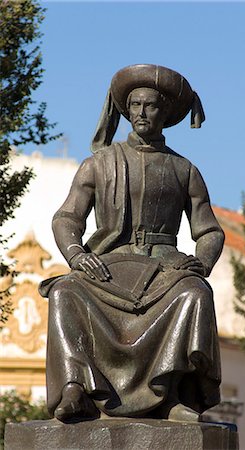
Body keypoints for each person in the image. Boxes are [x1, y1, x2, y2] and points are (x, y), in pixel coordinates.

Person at [39, 64, 225, 423]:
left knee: (195, 293)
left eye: (151, 106)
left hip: (164, 269)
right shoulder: (98, 164)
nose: (141, 113)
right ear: (125, 111)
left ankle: (171, 395)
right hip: (108, 267)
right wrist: (76, 255)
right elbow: (67, 218)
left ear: (165, 113)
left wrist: (200, 263)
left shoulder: (184, 169)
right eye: (135, 105)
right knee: (64, 291)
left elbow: (210, 230)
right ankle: (75, 388)